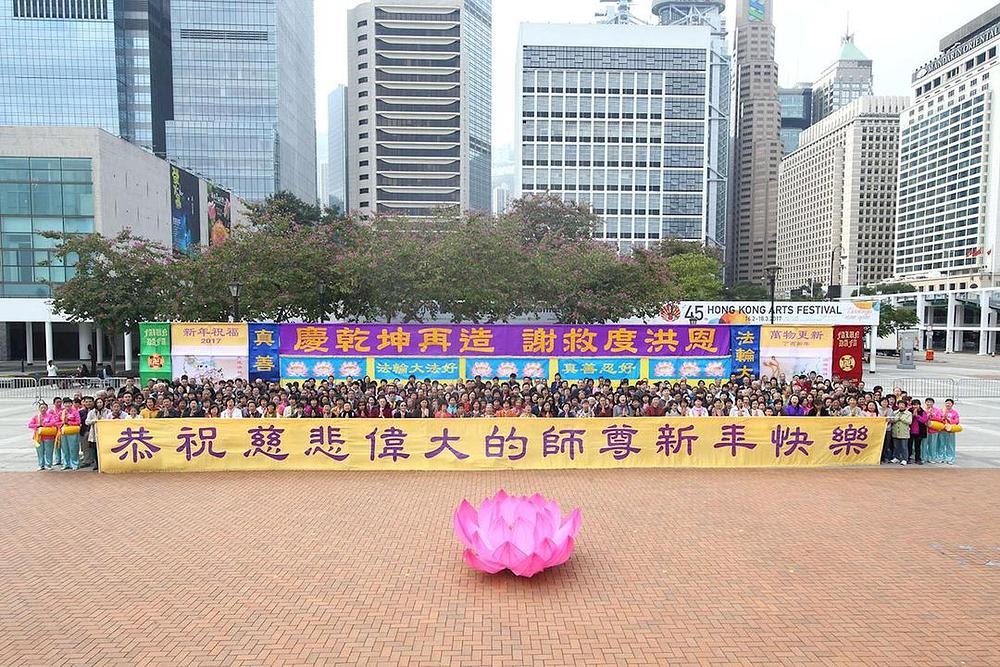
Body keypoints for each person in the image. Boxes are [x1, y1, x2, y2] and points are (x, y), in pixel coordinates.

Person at [28, 402, 59, 470]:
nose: (43, 409)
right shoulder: (36, 417)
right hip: (38, 437)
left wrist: (44, 424)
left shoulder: (50, 416)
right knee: (40, 451)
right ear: (39, 409)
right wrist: (37, 425)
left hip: (48, 436)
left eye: (44, 408)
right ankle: (41, 464)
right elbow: (30, 425)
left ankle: (48, 464)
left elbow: (53, 422)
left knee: (49, 451)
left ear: (47, 408)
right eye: (41, 408)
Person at [59, 397, 82, 470]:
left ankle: (74, 463)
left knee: (73, 448)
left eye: (69, 403)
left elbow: (78, 422)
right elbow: (57, 421)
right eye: (65, 403)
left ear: (71, 404)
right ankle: (66, 463)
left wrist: (69, 422)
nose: (67, 405)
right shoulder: (61, 412)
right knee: (65, 448)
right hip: (63, 431)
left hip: (73, 432)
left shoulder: (75, 412)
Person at [889, 399, 913, 465]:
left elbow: (909, 422)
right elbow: (892, 420)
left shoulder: (909, 413)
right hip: (896, 431)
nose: (901, 406)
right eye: (900, 404)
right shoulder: (895, 412)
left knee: (904, 447)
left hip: (904, 432)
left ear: (905, 406)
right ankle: (896, 457)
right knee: (896, 446)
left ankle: (905, 459)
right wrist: (896, 419)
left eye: (903, 405)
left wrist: (901, 418)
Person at [939, 399, 960, 465]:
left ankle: (950, 458)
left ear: (952, 404)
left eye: (949, 403)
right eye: (946, 403)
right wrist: (942, 419)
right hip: (942, 430)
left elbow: (956, 421)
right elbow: (938, 419)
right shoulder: (941, 411)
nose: (947, 404)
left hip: (950, 431)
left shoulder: (954, 412)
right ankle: (940, 457)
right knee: (941, 444)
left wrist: (949, 420)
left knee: (950, 445)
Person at [908, 398, 929, 465]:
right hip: (910, 431)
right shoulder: (909, 411)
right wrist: (912, 416)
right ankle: (908, 458)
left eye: (917, 405)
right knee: (909, 446)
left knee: (918, 446)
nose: (915, 406)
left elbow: (924, 420)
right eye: (914, 405)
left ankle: (918, 459)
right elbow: (907, 420)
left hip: (919, 432)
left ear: (919, 405)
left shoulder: (923, 412)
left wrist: (917, 416)